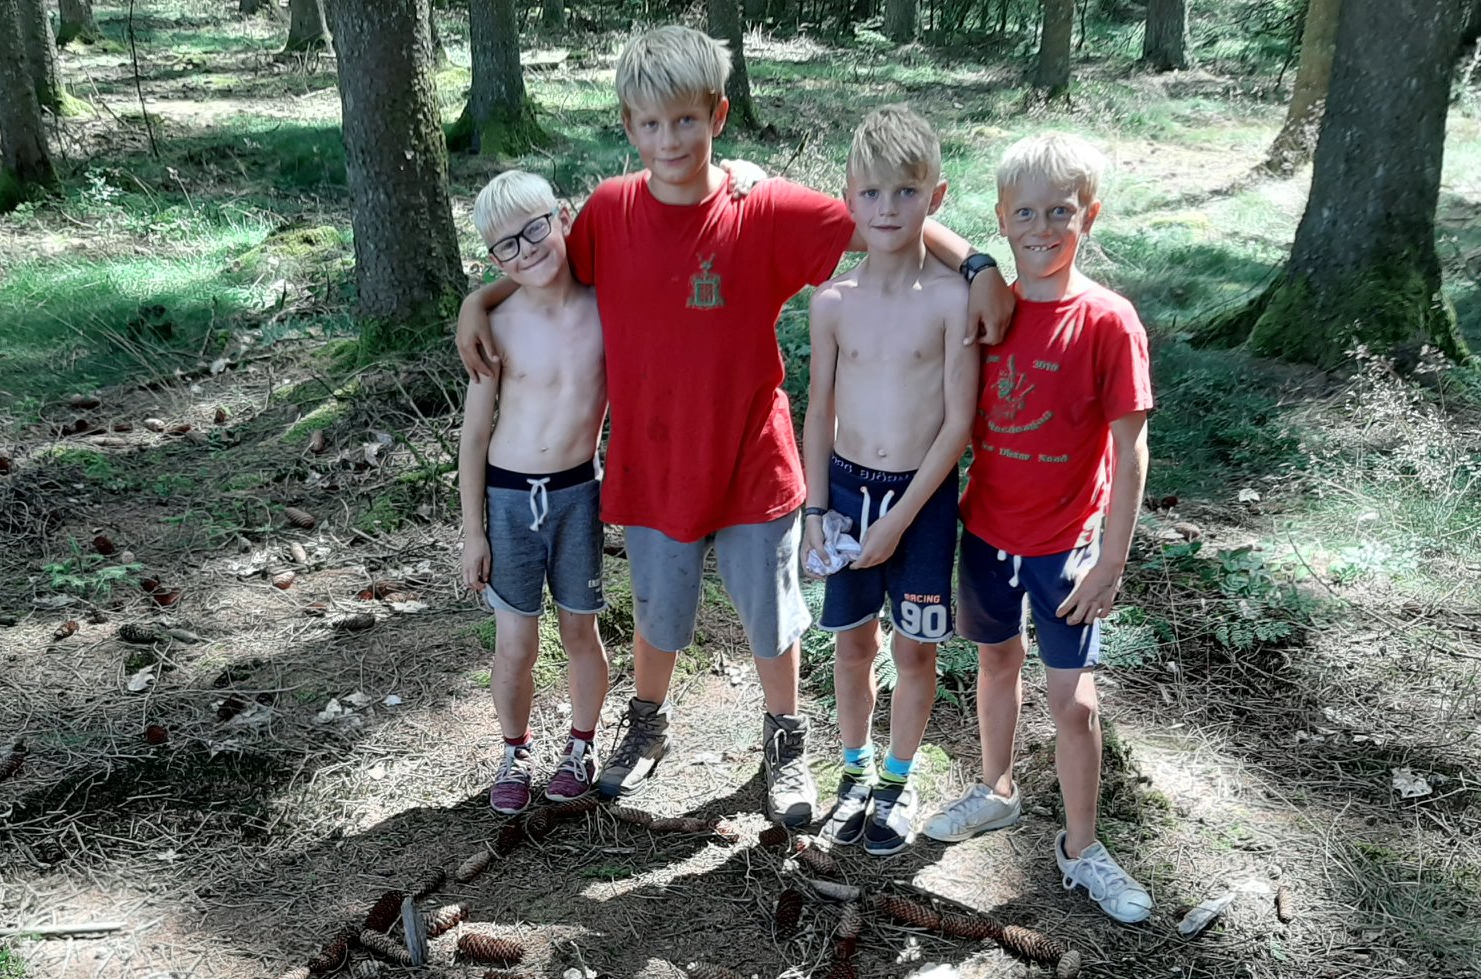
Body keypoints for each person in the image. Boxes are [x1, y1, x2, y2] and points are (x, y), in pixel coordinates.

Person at [456, 25, 1012, 827]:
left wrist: (977, 263)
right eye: (650, 124)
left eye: (686, 119)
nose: (669, 139)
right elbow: (541, 271)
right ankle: (646, 724)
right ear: (628, 126)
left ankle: (783, 738)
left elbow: (882, 219)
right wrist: (480, 300)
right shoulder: (611, 212)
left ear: (718, 114)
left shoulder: (767, 209)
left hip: (754, 461)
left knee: (771, 616)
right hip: (654, 464)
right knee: (658, 611)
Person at [920, 133, 1155, 923]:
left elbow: (1131, 450)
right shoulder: (993, 310)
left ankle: (1082, 848)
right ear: (1001, 218)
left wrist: (1111, 561)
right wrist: (978, 265)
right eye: (1025, 212)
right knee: (995, 664)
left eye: (1060, 212)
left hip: (1067, 547)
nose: (1042, 227)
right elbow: (907, 211)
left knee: (1075, 704)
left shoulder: (1108, 321)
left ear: (1089, 215)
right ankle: (996, 789)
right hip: (986, 533)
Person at [800, 105, 979, 856]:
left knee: (914, 650)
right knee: (851, 644)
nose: (886, 209)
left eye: (905, 192)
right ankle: (853, 771)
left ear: (934, 197)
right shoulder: (832, 302)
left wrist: (901, 519)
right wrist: (814, 510)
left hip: (923, 502)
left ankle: (897, 783)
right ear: (848, 194)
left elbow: (959, 424)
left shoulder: (951, 299)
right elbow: (816, 410)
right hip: (844, 491)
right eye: (870, 193)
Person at [458, 169, 610, 813]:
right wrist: (472, 530)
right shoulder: (498, 324)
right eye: (506, 248)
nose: (526, 252)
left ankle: (580, 743)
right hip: (510, 499)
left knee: (581, 629)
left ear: (564, 216)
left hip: (579, 494)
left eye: (535, 230)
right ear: (493, 260)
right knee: (516, 642)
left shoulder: (609, 308)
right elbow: (473, 437)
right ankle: (514, 750)